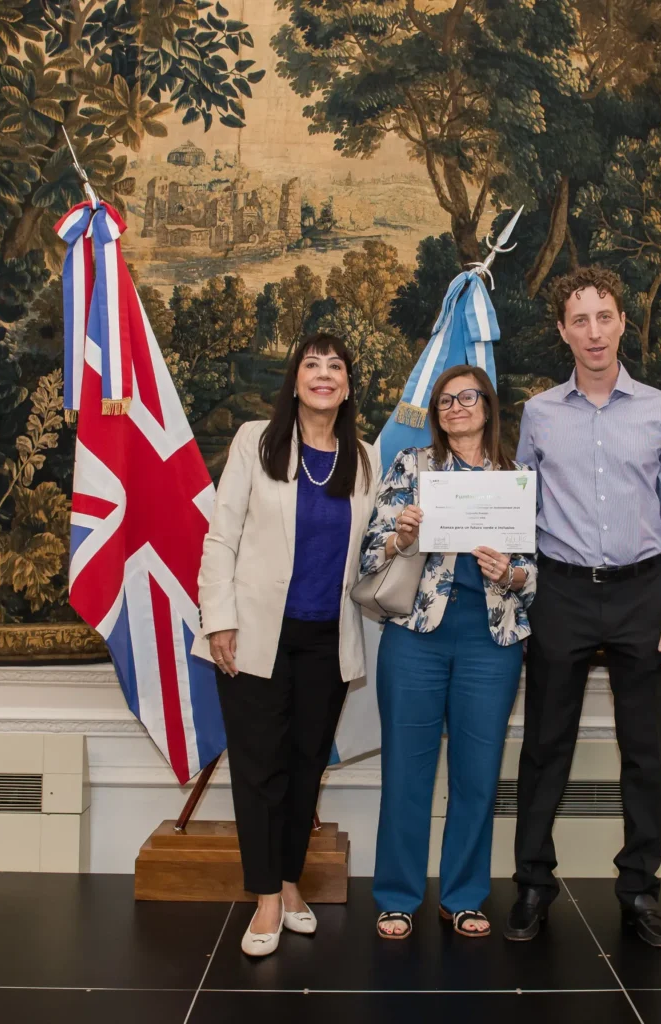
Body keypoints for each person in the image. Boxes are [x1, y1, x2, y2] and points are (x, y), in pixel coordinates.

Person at [506, 265, 661, 949]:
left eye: (604, 317)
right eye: (579, 320)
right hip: (560, 593)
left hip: (641, 595)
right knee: (544, 747)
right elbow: (520, 511)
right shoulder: (538, 414)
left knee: (643, 752)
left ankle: (639, 888)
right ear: (562, 331)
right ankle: (532, 885)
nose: (593, 332)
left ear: (621, 323)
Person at [198, 333, 381, 957]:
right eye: (312, 364)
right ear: (296, 380)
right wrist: (219, 620)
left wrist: (405, 535)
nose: (324, 374)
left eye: (335, 367)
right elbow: (221, 537)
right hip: (254, 635)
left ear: (347, 387)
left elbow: (374, 550)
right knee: (260, 771)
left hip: (328, 640)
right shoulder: (256, 441)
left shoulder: (365, 459)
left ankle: (289, 880)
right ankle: (267, 898)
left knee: (306, 767)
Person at [360, 365, 536, 940]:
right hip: (416, 636)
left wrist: (510, 574)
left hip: (491, 641)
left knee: (477, 775)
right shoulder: (412, 467)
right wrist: (401, 537)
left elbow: (537, 572)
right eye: (445, 400)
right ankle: (397, 897)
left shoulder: (516, 478)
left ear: (488, 406)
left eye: (468, 397)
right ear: (435, 414)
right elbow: (369, 553)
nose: (456, 407)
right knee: (405, 771)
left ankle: (463, 896)